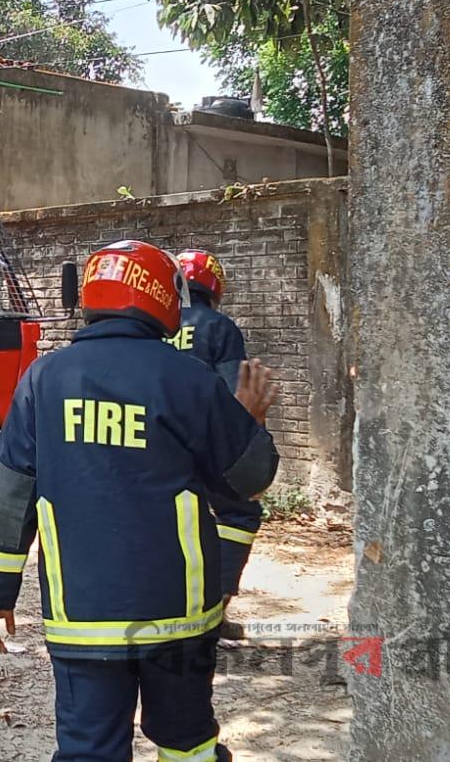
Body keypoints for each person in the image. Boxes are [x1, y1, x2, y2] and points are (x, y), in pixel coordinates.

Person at [0, 240, 279, 762]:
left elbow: (8, 493)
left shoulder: (43, 380)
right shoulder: (189, 380)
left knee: (90, 749)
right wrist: (248, 418)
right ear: (165, 299)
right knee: (188, 743)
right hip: (177, 617)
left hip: (83, 615)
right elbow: (248, 479)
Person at [170, 250, 261, 642]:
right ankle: (214, 611)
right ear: (214, 286)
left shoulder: (158, 323)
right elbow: (233, 394)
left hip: (156, 441)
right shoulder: (220, 328)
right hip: (205, 442)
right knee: (238, 514)